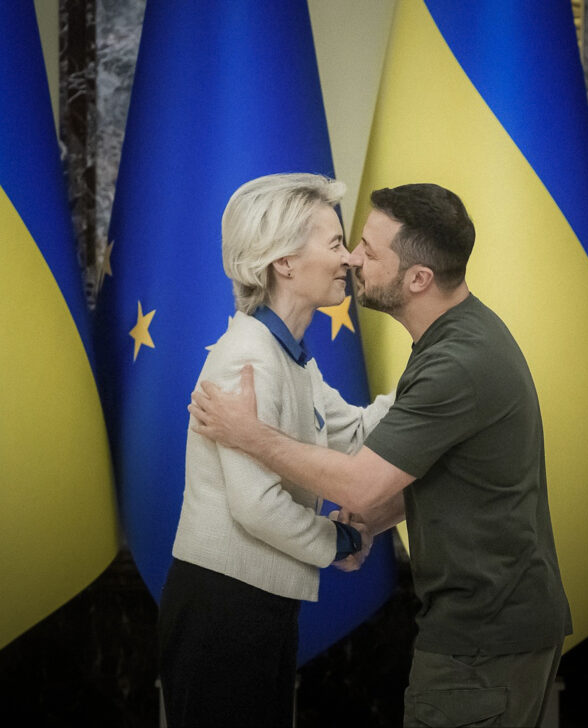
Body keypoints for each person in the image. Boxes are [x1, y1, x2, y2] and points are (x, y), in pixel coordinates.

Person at [189, 183, 573, 728]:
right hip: (486, 628)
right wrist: (363, 527)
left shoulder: (456, 360)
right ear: (284, 263)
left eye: (367, 248)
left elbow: (361, 481)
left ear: (417, 279)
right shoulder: (449, 342)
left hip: (483, 636)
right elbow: (433, 467)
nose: (352, 257)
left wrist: (250, 435)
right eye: (346, 243)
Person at [158, 173, 394, 728]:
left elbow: (357, 433)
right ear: (283, 261)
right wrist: (339, 539)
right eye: (335, 244)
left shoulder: (287, 355)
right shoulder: (250, 359)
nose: (351, 259)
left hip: (254, 606)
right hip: (222, 611)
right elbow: (257, 505)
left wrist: (432, 376)